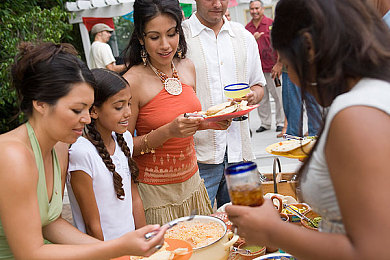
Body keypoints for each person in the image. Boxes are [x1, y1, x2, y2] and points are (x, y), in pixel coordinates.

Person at [226, 0, 390, 259]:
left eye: (289, 66)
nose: (292, 78)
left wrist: (271, 230)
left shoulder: (355, 114)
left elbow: (373, 252)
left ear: (309, 48)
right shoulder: (373, 91)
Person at [0, 42, 167, 259]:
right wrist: (117, 248)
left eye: (88, 109)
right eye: (76, 109)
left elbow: (50, 223)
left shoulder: (59, 147)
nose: (87, 119)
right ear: (40, 104)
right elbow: (30, 253)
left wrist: (121, 250)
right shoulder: (13, 157)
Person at [123, 0, 230, 226]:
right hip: (156, 195)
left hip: (193, 183)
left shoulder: (187, 66)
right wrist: (169, 130)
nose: (165, 45)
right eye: (154, 37)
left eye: (171, 34)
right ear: (141, 38)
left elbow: (187, 121)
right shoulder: (132, 81)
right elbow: (123, 147)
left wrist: (211, 123)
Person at [182, 0, 266, 208]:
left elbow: (258, 86)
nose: (218, 4)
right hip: (198, 155)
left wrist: (253, 96)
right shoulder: (180, 37)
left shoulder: (243, 37)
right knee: (202, 228)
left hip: (240, 152)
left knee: (249, 224)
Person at [66, 68, 145, 241]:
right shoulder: (82, 153)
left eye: (129, 103)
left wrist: (146, 239)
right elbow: (92, 224)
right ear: (93, 111)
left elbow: (135, 199)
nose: (128, 113)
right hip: (103, 249)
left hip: (132, 245)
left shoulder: (124, 138)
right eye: (119, 107)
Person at [245, 0, 285, 133]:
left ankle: (280, 122)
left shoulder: (271, 24)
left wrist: (279, 63)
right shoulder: (247, 28)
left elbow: (279, 44)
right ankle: (266, 123)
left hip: (272, 68)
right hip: (257, 69)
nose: (254, 11)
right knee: (262, 98)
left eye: (257, 8)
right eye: (252, 9)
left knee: (278, 96)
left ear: (262, 9)